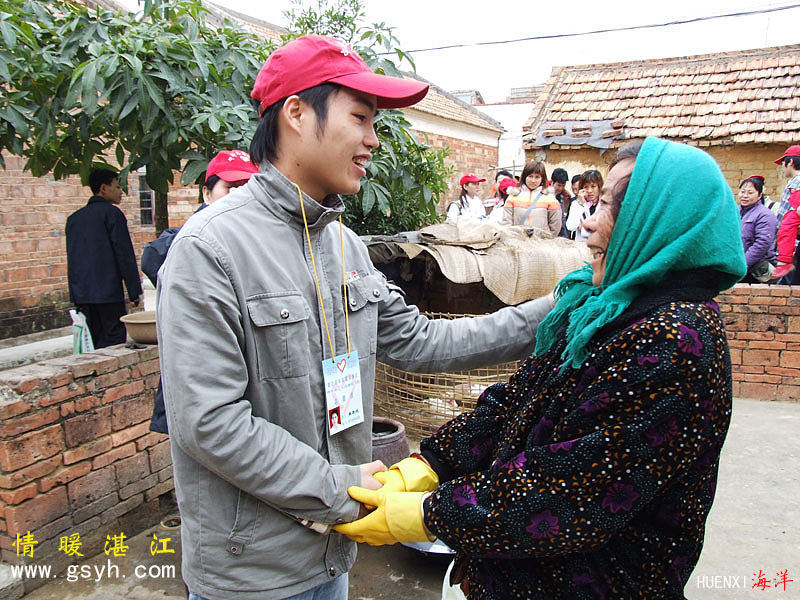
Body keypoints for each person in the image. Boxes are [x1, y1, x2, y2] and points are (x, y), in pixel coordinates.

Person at [156, 35, 554, 600]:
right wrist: (342, 488)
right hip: (254, 572)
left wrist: (559, 311)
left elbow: (421, 342)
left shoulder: (344, 246)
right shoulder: (210, 250)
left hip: (333, 553)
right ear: (296, 113)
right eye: (361, 118)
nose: (371, 141)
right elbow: (208, 423)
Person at [336, 137, 747, 599]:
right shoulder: (601, 308)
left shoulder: (676, 342)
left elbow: (566, 490)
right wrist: (429, 464)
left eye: (609, 207)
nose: (588, 223)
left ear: (657, 224)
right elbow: (516, 401)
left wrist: (427, 514)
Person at [143, 150, 259, 434]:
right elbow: (152, 258)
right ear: (206, 194)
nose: (239, 197)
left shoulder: (259, 242)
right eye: (230, 188)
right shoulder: (185, 242)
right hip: (203, 388)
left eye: (248, 188)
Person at [65, 168, 142, 348]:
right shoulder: (112, 214)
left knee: (91, 344)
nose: (121, 191)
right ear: (103, 188)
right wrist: (134, 291)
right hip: (108, 294)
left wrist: (75, 294)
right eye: (117, 186)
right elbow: (124, 254)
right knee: (113, 342)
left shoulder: (74, 219)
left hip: (83, 295)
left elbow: (72, 258)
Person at [502, 161, 562, 235]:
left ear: (542, 178)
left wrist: (547, 238)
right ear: (524, 177)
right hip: (518, 242)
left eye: (537, 177)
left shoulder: (550, 198)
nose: (533, 181)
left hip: (541, 243)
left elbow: (555, 225)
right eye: (530, 176)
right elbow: (506, 223)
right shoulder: (513, 196)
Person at [738, 174, 777, 283]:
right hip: (738, 265)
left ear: (759, 195)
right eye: (742, 192)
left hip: (755, 269)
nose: (745, 196)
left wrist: (742, 264)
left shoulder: (765, 215)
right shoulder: (736, 211)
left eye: (750, 193)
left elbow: (762, 244)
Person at [771, 145, 800, 281]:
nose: (782, 167)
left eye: (783, 163)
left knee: (789, 285)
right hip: (790, 245)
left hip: (792, 244)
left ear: (791, 163)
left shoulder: (796, 183)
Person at [566, 169, 604, 242]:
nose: (589, 191)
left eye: (593, 186)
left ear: (599, 187)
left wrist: (582, 228)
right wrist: (581, 204)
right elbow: (570, 226)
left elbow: (599, 231)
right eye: (586, 187)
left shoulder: (603, 205)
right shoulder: (576, 204)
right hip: (580, 248)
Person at [551, 167, 572, 238]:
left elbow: (563, 217)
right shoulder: (544, 195)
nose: (561, 188)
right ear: (552, 182)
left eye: (563, 186)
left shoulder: (565, 197)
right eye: (559, 185)